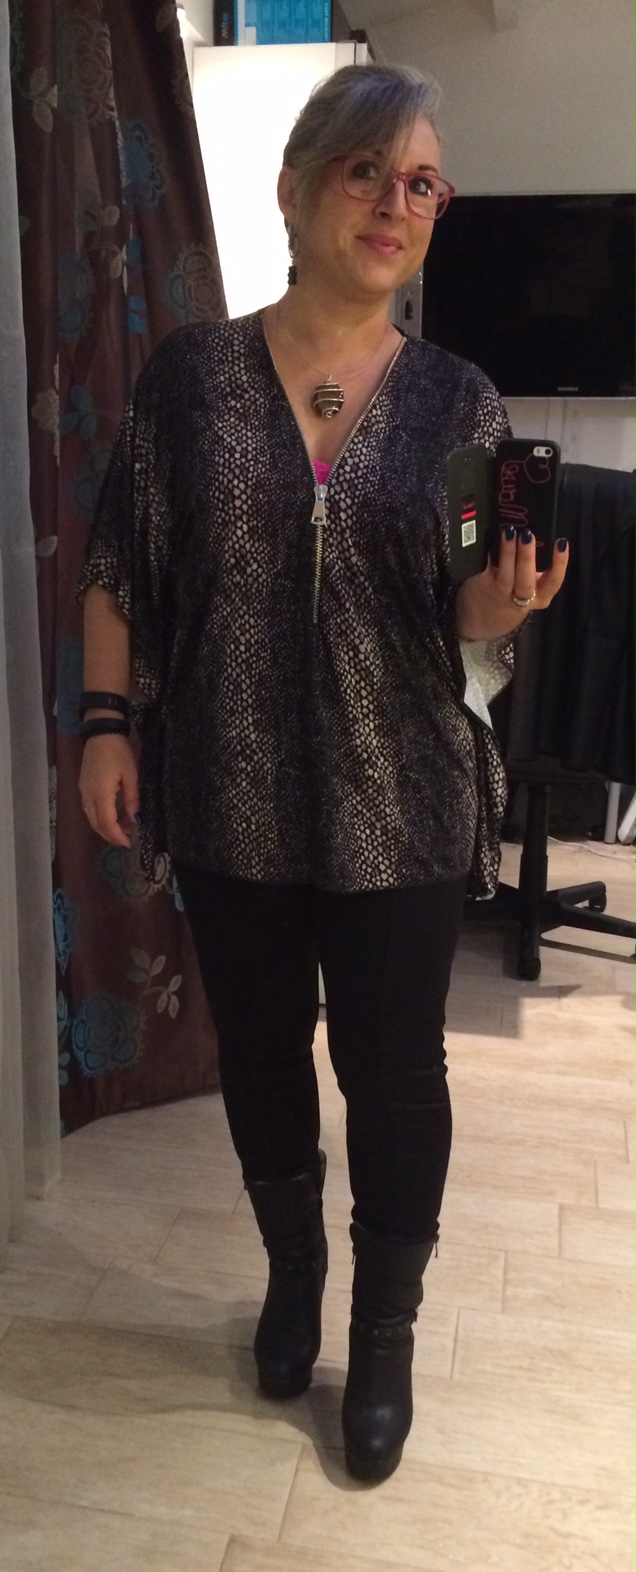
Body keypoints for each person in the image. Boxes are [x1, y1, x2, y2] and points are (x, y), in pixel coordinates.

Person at [78, 63, 569, 1483]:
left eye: (422, 184)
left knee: (395, 1073)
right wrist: (106, 721)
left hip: (401, 796)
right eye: (367, 172)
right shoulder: (190, 379)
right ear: (296, 189)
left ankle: (385, 1330)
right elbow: (120, 562)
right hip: (225, 789)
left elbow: (467, 619)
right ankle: (293, 1275)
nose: (394, 204)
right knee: (262, 1053)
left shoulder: (462, 401)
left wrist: (502, 603)